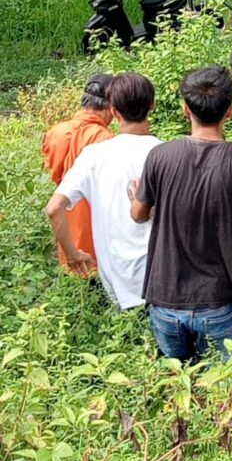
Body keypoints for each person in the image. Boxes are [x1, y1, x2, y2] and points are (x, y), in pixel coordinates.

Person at [131, 66, 232, 360]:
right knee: (222, 389)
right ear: (229, 111)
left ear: (186, 110)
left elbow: (138, 214)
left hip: (166, 298)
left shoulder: (160, 156)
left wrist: (141, 197)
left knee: (177, 385)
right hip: (218, 301)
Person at [45, 72, 161, 308]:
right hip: (159, 274)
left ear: (115, 110)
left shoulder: (62, 136)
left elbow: (54, 203)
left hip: (96, 248)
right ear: (153, 106)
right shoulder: (164, 153)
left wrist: (71, 252)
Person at [42, 74, 114, 271]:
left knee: (70, 278)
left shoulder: (55, 132)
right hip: (94, 228)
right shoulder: (105, 138)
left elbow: (56, 176)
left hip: (64, 222)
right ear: (111, 106)